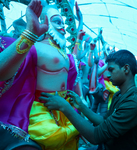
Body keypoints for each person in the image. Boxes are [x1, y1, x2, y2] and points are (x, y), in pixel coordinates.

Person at [0, 0, 84, 149]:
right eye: (57, 21)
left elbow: (74, 78)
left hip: (64, 109)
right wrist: (30, 34)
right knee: (52, 136)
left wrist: (80, 25)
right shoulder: (35, 48)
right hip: (41, 108)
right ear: (46, 22)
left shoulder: (66, 55)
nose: (62, 26)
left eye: (63, 22)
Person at [39, 50, 137, 150]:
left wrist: (65, 107)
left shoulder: (133, 104)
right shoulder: (119, 95)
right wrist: (81, 106)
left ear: (126, 69)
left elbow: (95, 136)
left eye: (111, 70)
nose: (108, 75)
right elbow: (104, 121)